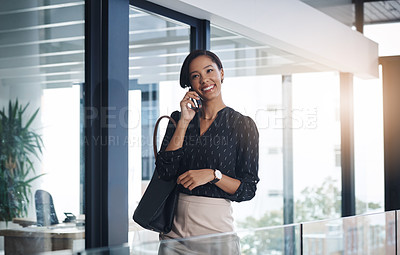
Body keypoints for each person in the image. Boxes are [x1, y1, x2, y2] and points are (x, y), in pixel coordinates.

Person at [156, 50, 259, 254]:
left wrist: (213, 175)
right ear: (190, 84)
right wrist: (184, 121)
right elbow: (164, 170)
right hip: (173, 233)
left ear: (221, 73)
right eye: (196, 76)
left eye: (209, 71)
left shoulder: (242, 125)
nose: (204, 80)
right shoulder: (178, 119)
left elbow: (248, 189)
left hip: (215, 233)